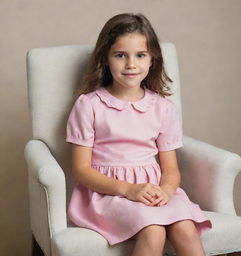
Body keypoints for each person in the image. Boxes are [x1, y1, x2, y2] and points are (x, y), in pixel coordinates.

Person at [66, 12, 212, 256]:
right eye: (120, 55)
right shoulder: (89, 105)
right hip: (107, 194)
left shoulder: (163, 108)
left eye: (140, 55)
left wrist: (165, 192)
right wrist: (128, 190)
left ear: (152, 59)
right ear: (106, 58)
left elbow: (171, 169)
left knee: (186, 228)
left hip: (153, 190)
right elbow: (81, 170)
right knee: (153, 229)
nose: (131, 64)